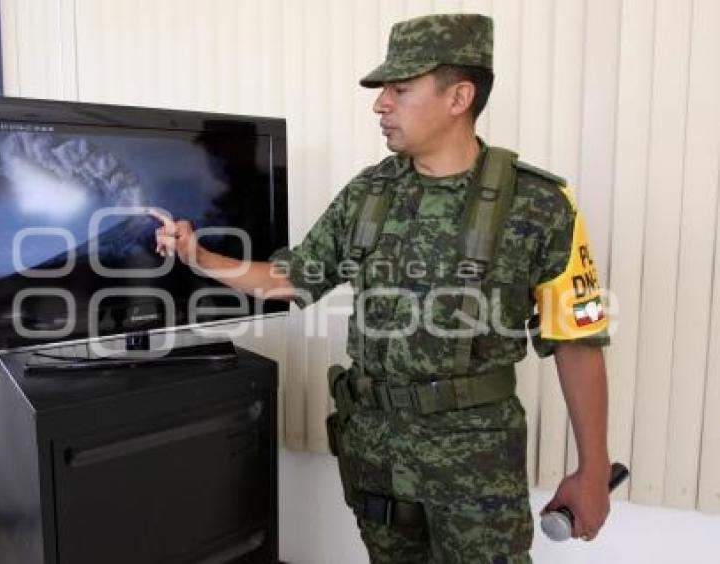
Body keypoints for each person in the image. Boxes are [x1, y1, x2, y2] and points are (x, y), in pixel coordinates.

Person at [153, 13, 611, 563]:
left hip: (474, 465)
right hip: (376, 451)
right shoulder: (368, 194)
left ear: (458, 96)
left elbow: (577, 340)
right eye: (382, 91)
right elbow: (293, 279)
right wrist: (198, 256)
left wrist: (593, 469)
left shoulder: (539, 205)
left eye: (400, 89)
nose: (380, 104)